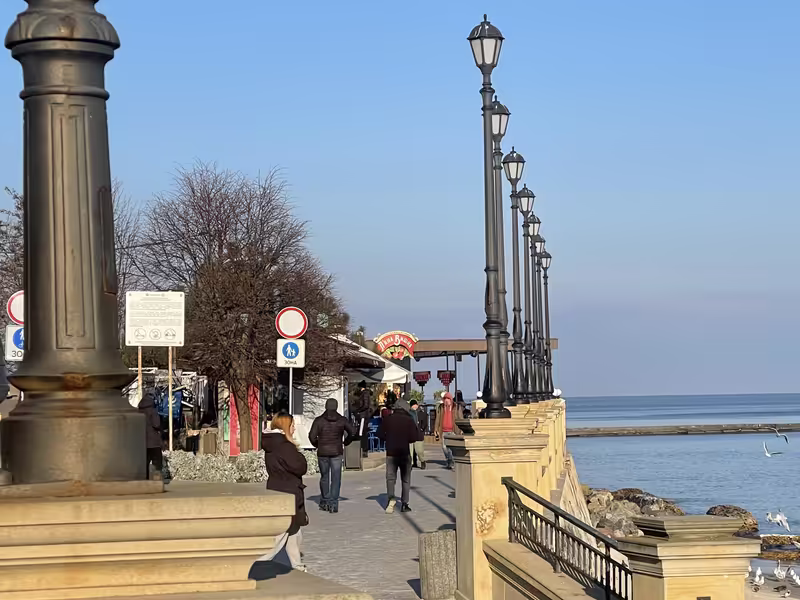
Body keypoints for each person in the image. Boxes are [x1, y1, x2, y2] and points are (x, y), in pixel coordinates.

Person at [258, 412, 308, 571]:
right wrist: (300, 456)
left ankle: (297, 566)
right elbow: (299, 466)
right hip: (287, 493)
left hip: (278, 489)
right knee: (280, 534)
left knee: (294, 532)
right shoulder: (284, 446)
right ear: (286, 426)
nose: (294, 429)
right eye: (292, 425)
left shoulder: (272, 443)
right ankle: (256, 565)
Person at [308, 398, 356, 513]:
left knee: (324, 477)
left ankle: (325, 501)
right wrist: (346, 442)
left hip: (322, 452)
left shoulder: (319, 420)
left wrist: (318, 444)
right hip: (336, 452)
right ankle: (333, 504)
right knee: (336, 478)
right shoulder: (342, 420)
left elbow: (312, 436)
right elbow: (353, 432)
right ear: (336, 406)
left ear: (326, 406)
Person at [378, 398, 420, 514]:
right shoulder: (409, 420)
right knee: (405, 479)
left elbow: (379, 433)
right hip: (404, 452)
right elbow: (414, 437)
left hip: (391, 453)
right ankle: (404, 504)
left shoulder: (388, 419)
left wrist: (388, 438)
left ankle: (391, 498)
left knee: (390, 478)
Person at [434, 391, 464, 469]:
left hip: (453, 431)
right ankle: (450, 460)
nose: (446, 401)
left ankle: (451, 462)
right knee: (444, 447)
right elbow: (438, 419)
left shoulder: (456, 407)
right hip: (443, 431)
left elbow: (461, 419)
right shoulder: (441, 407)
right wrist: (436, 429)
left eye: (448, 399)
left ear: (451, 400)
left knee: (452, 448)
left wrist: (462, 429)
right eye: (445, 399)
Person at [138, 388, 163, 479]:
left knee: (145, 462)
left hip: (142, 442)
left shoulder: (138, 412)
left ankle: (145, 479)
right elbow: (156, 424)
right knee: (157, 462)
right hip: (154, 442)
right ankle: (156, 479)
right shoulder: (153, 411)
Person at [352, 381, 372, 458]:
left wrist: (358, 410)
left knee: (362, 433)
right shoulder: (365, 394)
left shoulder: (364, 394)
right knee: (362, 432)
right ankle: (363, 449)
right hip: (364, 415)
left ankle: (363, 450)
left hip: (363, 416)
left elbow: (365, 405)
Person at [409, 399, 426, 469]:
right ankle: (410, 463)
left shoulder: (421, 413)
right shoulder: (408, 413)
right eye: (413, 405)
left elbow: (425, 422)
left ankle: (422, 461)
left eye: (415, 405)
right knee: (410, 451)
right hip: (410, 434)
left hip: (419, 434)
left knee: (419, 451)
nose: (414, 406)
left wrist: (422, 428)